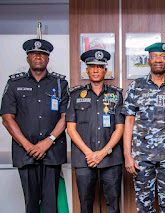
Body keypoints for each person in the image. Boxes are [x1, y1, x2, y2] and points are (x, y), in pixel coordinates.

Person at [0, 37, 69, 212]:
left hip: (52, 152)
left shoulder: (60, 84)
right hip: (25, 153)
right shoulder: (15, 84)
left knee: (50, 205)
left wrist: (48, 141)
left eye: (42, 54)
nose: (38, 57)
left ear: (48, 59)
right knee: (31, 204)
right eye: (33, 54)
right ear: (27, 58)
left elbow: (66, 116)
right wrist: (28, 146)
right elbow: (7, 118)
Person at [122, 42, 165, 213]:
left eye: (162, 57)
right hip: (142, 157)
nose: (158, 60)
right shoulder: (136, 87)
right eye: (154, 57)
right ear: (148, 60)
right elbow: (128, 121)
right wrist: (127, 155)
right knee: (144, 205)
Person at [66, 49, 124, 213]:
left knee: (113, 205)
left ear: (106, 70)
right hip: (84, 159)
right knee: (85, 205)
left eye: (100, 67)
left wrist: (102, 153)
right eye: (92, 67)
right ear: (87, 70)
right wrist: (90, 153)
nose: (96, 70)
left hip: (111, 159)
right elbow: (71, 128)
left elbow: (120, 128)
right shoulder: (75, 95)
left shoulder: (116, 95)